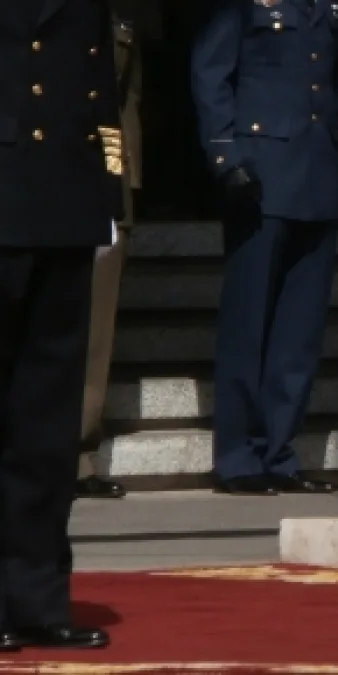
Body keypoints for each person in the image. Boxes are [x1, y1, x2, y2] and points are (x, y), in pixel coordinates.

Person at [191, 0, 338, 496]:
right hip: (260, 174)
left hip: (317, 170)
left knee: (298, 332)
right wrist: (225, 155)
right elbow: (210, 72)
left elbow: (336, 83)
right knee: (248, 324)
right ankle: (238, 457)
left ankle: (279, 452)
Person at [0, 0, 122, 649]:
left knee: (46, 426)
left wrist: (107, 199)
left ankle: (37, 596)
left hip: (66, 201)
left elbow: (100, 88)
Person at [76, 0, 161, 501]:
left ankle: (78, 455)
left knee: (95, 331)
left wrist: (123, 180)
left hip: (101, 177)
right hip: (34, 177)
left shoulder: (120, 15)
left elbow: (124, 102)